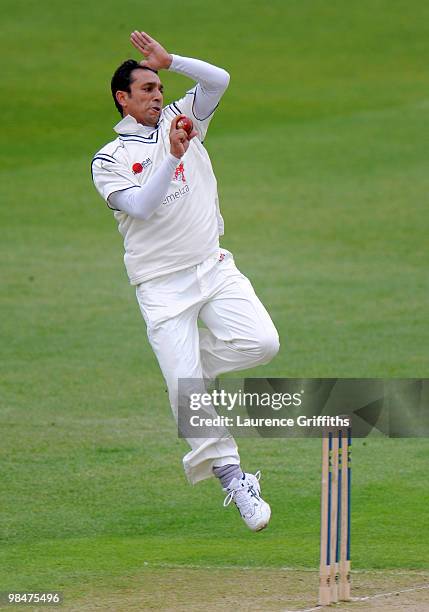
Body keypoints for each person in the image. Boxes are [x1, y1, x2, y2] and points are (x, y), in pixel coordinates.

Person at [91, 31, 280, 531]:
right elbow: (142, 207)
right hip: (160, 286)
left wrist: (172, 60)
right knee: (191, 402)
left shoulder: (183, 116)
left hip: (211, 265)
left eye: (159, 86)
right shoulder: (108, 159)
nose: (157, 95)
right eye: (146, 89)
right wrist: (172, 155)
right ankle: (236, 480)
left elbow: (220, 80)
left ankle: (192, 377)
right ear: (123, 99)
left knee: (262, 343)